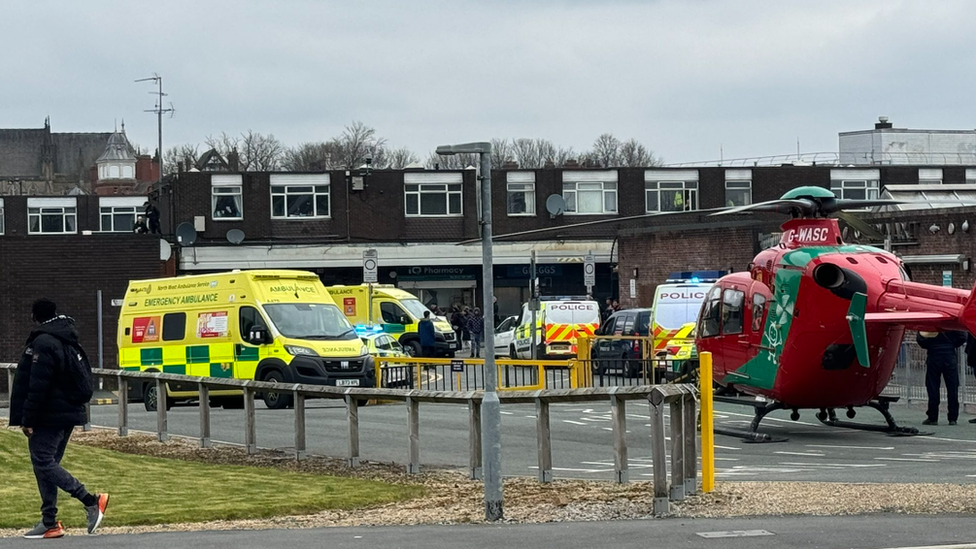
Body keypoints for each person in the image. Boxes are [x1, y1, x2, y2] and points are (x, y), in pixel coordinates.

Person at [9, 299, 110, 539]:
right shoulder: (66, 337)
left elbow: (37, 386)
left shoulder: (43, 342)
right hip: (67, 413)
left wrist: (28, 418)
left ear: (35, 316)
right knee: (45, 466)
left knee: (43, 462)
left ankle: (90, 500)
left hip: (48, 416)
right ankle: (49, 522)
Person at [917, 330, 967, 426]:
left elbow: (920, 338)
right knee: (952, 388)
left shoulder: (931, 323)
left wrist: (929, 345)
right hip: (949, 354)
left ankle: (932, 417)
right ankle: (953, 418)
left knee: (933, 388)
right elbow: (962, 336)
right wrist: (952, 344)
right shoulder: (950, 322)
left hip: (933, 354)